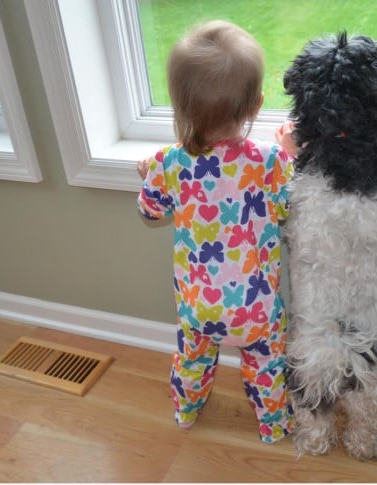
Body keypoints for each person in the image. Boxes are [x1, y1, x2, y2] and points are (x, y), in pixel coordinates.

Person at [136, 20, 295, 443]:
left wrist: (149, 175)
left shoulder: (169, 162)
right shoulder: (271, 161)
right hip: (256, 308)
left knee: (192, 359)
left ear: (179, 106)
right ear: (256, 105)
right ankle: (274, 426)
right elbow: (288, 207)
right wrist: (291, 155)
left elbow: (150, 212)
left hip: (198, 306)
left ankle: (185, 412)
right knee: (267, 365)